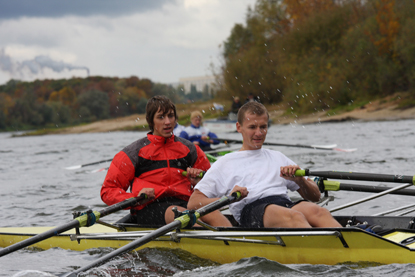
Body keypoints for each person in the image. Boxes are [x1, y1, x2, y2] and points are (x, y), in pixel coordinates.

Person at [187, 101, 342, 228]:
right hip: (251, 210)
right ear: (239, 127)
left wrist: (299, 180)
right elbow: (193, 203)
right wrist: (229, 198)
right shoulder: (225, 163)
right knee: (295, 217)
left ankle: (348, 249)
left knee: (319, 212)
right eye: (253, 127)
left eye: (263, 127)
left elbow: (315, 196)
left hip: (284, 203)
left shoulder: (278, 157)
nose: (259, 133)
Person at [101, 95, 211, 226]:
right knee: (179, 213)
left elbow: (212, 184)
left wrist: (198, 183)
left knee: (212, 212)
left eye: (171, 116)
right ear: (150, 120)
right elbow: (108, 191)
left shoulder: (191, 150)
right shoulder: (132, 153)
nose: (167, 122)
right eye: (161, 117)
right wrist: (135, 197)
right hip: (149, 209)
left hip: (185, 204)